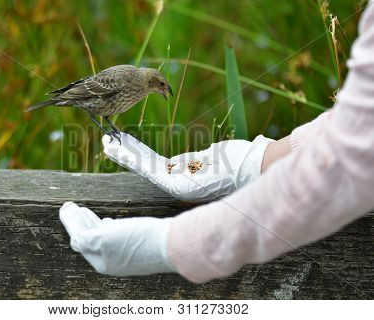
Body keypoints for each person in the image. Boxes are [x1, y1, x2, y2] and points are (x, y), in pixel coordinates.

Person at [59, 3, 374, 283]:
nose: (162, 91)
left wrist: (165, 244)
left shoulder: (136, 82)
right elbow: (356, 131)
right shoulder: (125, 79)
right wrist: (257, 159)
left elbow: (349, 156)